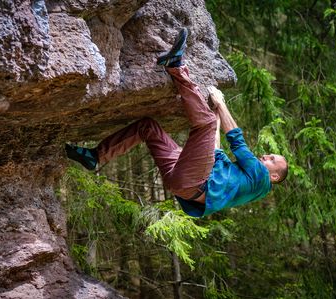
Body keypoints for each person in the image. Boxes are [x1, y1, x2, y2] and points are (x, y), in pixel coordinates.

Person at [65, 28, 288, 217]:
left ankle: (176, 67)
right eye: (269, 156)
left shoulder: (261, 178)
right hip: (183, 183)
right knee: (147, 126)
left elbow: (237, 142)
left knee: (206, 123)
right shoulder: (243, 181)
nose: (266, 156)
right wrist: (216, 118)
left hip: (193, 182)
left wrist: (220, 104)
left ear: (274, 176)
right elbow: (215, 152)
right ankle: (95, 157)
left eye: (272, 159)